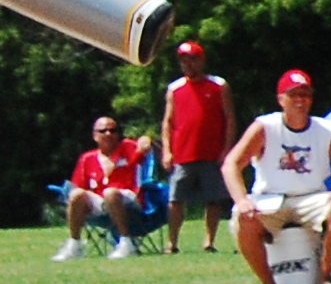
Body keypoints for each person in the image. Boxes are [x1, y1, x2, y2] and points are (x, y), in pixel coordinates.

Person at [222, 70, 331, 284]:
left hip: (312, 196)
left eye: (305, 94)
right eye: (293, 94)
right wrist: (241, 200)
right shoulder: (265, 127)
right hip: (270, 197)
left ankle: (324, 280)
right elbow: (231, 164)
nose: (300, 100)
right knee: (243, 219)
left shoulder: (326, 129)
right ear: (281, 99)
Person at [159, 39, 235, 254]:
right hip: (183, 153)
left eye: (192, 59)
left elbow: (229, 119)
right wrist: (167, 150)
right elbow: (168, 122)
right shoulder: (174, 89)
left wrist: (226, 150)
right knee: (176, 200)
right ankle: (172, 242)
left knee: (213, 200)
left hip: (211, 152)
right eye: (183, 60)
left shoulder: (218, 85)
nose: (187, 64)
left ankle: (209, 241)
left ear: (201, 61)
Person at [54, 117, 150, 261]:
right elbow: (79, 186)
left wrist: (144, 141)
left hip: (129, 198)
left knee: (110, 192)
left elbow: (145, 142)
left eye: (113, 130)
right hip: (100, 201)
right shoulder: (87, 158)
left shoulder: (127, 148)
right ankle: (74, 244)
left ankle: (126, 242)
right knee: (76, 194)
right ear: (95, 136)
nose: (108, 134)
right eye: (103, 131)